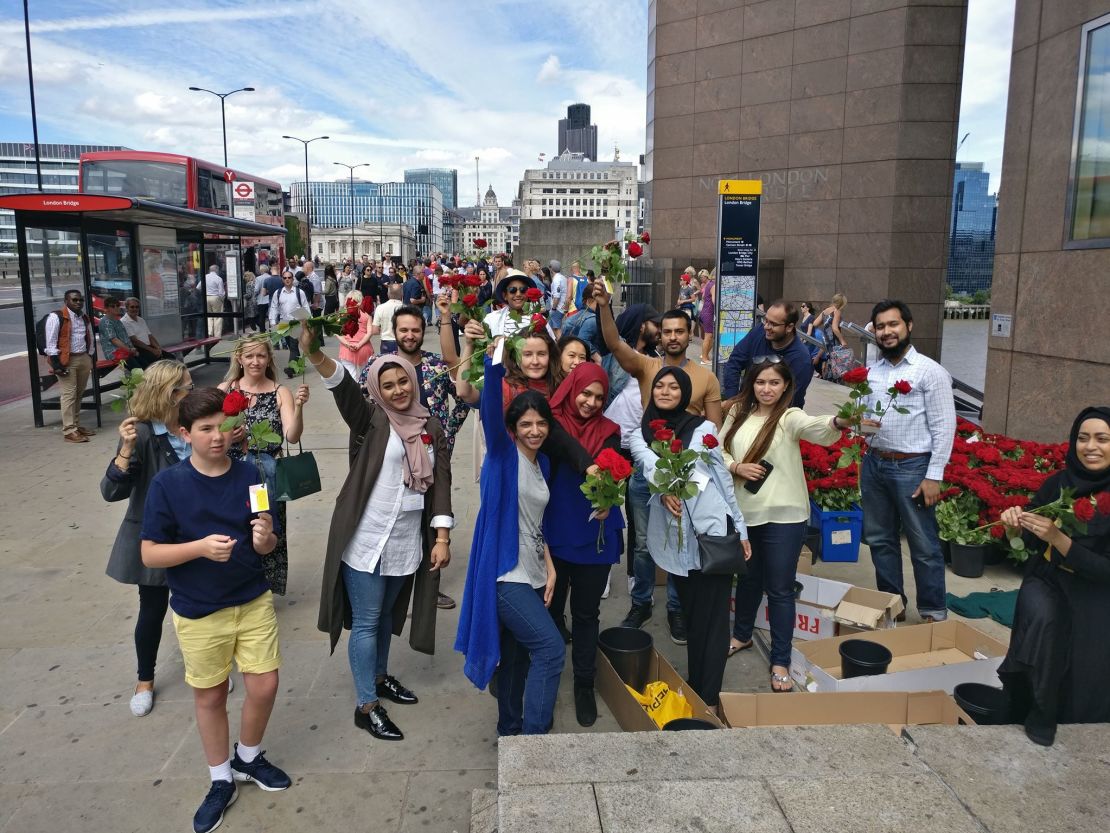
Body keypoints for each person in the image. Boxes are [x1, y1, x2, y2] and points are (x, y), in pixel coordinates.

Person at [140, 388, 290, 833]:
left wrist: (266, 539)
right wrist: (200, 548)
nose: (217, 437)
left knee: (264, 685)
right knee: (210, 695)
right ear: (184, 434)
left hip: (252, 598)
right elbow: (150, 553)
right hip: (199, 609)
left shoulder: (251, 475)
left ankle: (248, 756)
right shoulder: (168, 484)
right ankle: (220, 778)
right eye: (205, 429)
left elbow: (268, 537)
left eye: (222, 427)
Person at [298, 326, 453, 742]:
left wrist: (441, 537)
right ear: (377, 389)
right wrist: (314, 351)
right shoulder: (371, 419)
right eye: (388, 384)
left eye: (403, 380)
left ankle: (381, 677)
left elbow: (441, 485)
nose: (399, 389)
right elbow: (341, 385)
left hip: (406, 541)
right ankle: (366, 705)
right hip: (367, 538)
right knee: (366, 621)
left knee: (387, 615)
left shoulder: (430, 427)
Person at [595, 283, 722, 641]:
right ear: (658, 335)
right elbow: (615, 344)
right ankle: (641, 601)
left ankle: (677, 609)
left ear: (690, 334)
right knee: (643, 545)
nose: (672, 337)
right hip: (645, 472)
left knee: (681, 542)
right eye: (666, 331)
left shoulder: (706, 377)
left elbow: (714, 429)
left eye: (680, 331)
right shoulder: (647, 367)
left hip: (685, 475)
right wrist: (604, 306)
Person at [721, 359, 848, 690]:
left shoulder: (790, 417)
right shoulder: (737, 413)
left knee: (779, 589)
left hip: (785, 516)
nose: (766, 389)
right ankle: (742, 635)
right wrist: (735, 466)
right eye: (760, 382)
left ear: (785, 387)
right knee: (747, 580)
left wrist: (838, 420)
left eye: (774, 383)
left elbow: (817, 428)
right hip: (746, 513)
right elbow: (715, 450)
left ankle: (780, 658)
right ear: (751, 384)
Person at [455, 352, 565, 735]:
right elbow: (487, 410)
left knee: (517, 661)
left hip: (533, 572)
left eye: (540, 423)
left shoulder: (542, 464)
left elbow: (537, 523)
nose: (534, 430)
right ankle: (534, 743)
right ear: (513, 429)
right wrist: (494, 359)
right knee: (551, 650)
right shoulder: (503, 457)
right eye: (526, 424)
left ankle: (510, 731)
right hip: (505, 575)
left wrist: (549, 568)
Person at [627, 367, 749, 709]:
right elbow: (649, 462)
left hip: (712, 531)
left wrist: (740, 528)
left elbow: (721, 478)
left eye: (673, 387)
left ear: (684, 393)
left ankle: (707, 698)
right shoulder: (638, 433)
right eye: (660, 386)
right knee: (695, 619)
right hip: (675, 541)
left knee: (712, 622)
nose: (666, 392)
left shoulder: (704, 428)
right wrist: (665, 487)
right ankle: (698, 687)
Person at [996, 407, 1110, 746]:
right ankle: (1036, 710)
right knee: (1044, 618)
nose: (1091, 446)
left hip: (1098, 588)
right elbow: (1030, 542)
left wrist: (1059, 539)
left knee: (1090, 649)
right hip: (1050, 578)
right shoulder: (1058, 484)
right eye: (1083, 438)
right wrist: (1014, 524)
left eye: (1102, 439)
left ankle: (1079, 723)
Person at [102, 359, 194, 716]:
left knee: (199, 609)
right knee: (152, 609)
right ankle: (145, 679)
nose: (192, 391)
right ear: (169, 394)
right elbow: (110, 491)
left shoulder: (191, 424)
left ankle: (203, 669)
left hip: (195, 537)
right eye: (187, 387)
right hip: (156, 540)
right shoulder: (140, 433)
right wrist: (124, 451)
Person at [860, 300, 956, 623]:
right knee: (879, 540)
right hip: (874, 465)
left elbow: (945, 425)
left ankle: (932, 611)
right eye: (880, 326)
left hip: (913, 468)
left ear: (908, 326)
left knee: (924, 544)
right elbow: (864, 416)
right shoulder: (873, 372)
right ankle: (893, 606)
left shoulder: (930, 371)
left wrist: (934, 475)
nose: (886, 332)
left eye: (893, 325)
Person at [544, 363, 624, 726]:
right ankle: (543, 676)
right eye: (585, 393)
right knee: (550, 607)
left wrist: (609, 495)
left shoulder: (609, 430)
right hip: (557, 531)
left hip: (595, 533)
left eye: (598, 397)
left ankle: (583, 684)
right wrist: (588, 466)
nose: (590, 402)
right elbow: (561, 443)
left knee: (587, 613)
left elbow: (611, 470)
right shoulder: (549, 423)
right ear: (571, 387)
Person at [218, 336, 310, 596]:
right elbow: (210, 435)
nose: (255, 361)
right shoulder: (225, 389)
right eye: (249, 356)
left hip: (264, 476)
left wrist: (300, 407)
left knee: (263, 527)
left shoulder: (280, 391)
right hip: (231, 472)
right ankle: (233, 583)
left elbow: (292, 436)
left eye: (260, 356)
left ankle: (262, 587)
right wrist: (229, 436)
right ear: (239, 358)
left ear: (269, 358)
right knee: (232, 526)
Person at [722, 300, 814, 406]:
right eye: (766, 320)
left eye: (773, 324)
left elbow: (792, 399)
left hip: (778, 414)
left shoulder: (801, 358)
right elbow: (734, 362)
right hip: (745, 405)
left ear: (789, 327)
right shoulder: (758, 332)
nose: (766, 327)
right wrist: (732, 399)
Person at [44, 289, 96, 443]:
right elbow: (51, 342)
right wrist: (57, 364)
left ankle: (76, 425)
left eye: (80, 300)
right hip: (67, 360)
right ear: (66, 301)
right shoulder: (56, 317)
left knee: (79, 394)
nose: (78, 302)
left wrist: (89, 356)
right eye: (74, 300)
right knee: (68, 395)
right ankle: (68, 430)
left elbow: (90, 336)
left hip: (83, 358)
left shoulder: (83, 317)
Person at [269, 271, 312, 377]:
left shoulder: (299, 292)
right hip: (284, 323)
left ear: (293, 279)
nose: (287, 279)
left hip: (296, 322)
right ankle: (298, 366)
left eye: (289, 277)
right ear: (282, 279)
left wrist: (309, 320)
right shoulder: (278, 293)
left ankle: (291, 369)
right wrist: (273, 322)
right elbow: (274, 307)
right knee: (292, 346)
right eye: (285, 278)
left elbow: (305, 306)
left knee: (293, 345)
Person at [483, 269, 536, 337]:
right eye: (512, 290)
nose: (518, 294)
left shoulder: (539, 320)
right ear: (505, 295)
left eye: (523, 290)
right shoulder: (491, 319)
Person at [336, 290, 374, 378]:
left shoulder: (341, 315)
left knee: (351, 377)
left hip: (346, 350)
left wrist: (347, 344)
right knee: (365, 378)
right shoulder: (367, 315)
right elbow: (369, 333)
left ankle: (354, 391)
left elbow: (337, 333)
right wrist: (359, 344)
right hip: (364, 348)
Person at [121, 297, 165, 368]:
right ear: (127, 308)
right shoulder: (124, 321)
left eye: (137, 307)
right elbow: (134, 341)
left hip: (148, 347)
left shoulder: (141, 320)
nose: (135, 309)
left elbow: (150, 336)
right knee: (156, 363)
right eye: (132, 307)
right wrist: (153, 350)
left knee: (170, 357)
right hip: (138, 349)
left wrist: (158, 348)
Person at [98, 296, 136, 364]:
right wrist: (130, 350)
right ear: (107, 308)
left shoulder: (118, 321)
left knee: (145, 365)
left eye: (118, 305)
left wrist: (133, 350)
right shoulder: (105, 322)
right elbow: (114, 340)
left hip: (126, 352)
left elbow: (126, 338)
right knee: (139, 369)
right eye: (113, 306)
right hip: (115, 355)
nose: (116, 308)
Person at [373, 284, 404, 355]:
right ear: (402, 294)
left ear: (388, 294)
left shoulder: (380, 308)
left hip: (386, 342)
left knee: (388, 365)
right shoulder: (406, 308)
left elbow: (375, 331)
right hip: (402, 342)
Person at [697, 269, 716, 365]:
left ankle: (705, 356)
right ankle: (704, 358)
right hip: (709, 313)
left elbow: (705, 298)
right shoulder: (712, 285)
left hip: (705, 312)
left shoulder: (708, 285)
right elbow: (714, 301)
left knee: (710, 336)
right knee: (708, 336)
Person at [205, 265, 226, 338]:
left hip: (206, 297)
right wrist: (222, 300)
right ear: (216, 270)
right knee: (218, 317)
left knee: (209, 316)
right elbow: (221, 292)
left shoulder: (205, 277)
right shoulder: (218, 278)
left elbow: (198, 287)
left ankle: (209, 332)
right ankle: (217, 335)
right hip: (215, 297)